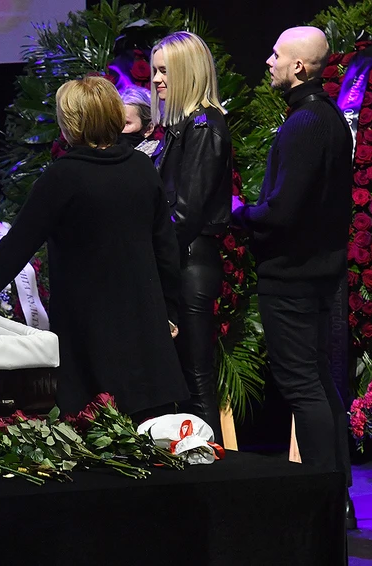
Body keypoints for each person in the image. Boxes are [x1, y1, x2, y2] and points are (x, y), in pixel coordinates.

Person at [0, 76, 189, 420]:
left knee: (96, 426)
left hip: (87, 331)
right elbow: (165, 246)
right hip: (145, 326)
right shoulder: (141, 168)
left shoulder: (62, 177)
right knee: (152, 431)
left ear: (70, 124)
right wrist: (170, 311)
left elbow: (17, 246)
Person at [231, 26, 355, 528]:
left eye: (276, 54)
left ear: (299, 66)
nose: (269, 61)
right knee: (318, 380)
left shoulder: (305, 123)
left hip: (294, 276)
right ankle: (336, 493)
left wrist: (239, 211)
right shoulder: (325, 117)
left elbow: (283, 212)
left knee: (304, 384)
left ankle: (323, 498)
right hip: (317, 273)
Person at [150, 31, 233, 444]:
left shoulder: (203, 127)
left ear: (187, 72)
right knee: (186, 375)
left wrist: (151, 254)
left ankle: (210, 464)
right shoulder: (183, 127)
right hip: (182, 258)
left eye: (165, 71)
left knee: (197, 375)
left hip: (190, 262)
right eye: (154, 71)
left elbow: (186, 213)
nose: (156, 80)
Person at [119, 86, 159, 156]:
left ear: (148, 129)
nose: (117, 128)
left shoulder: (158, 156)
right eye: (115, 121)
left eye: (126, 123)